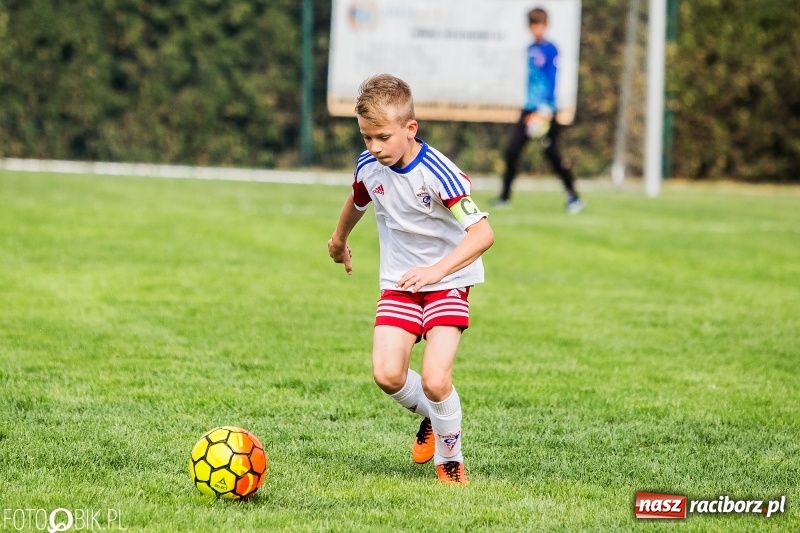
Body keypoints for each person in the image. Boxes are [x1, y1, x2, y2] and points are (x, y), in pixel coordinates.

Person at [328, 74, 494, 485]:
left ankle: (449, 459)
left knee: (437, 380)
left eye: (382, 137)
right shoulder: (370, 165)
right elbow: (358, 199)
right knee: (387, 375)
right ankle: (434, 418)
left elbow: (483, 234)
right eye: (366, 138)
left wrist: (438, 271)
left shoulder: (440, 172)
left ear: (410, 129)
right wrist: (338, 239)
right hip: (401, 282)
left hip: (448, 280)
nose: (373, 147)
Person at [495, 7, 585, 213]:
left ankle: (573, 198)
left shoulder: (551, 49)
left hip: (545, 111)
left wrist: (543, 111)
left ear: (546, 25)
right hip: (528, 109)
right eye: (533, 24)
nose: (537, 29)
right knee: (512, 151)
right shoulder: (529, 49)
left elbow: (551, 81)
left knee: (552, 154)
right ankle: (504, 198)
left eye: (540, 24)